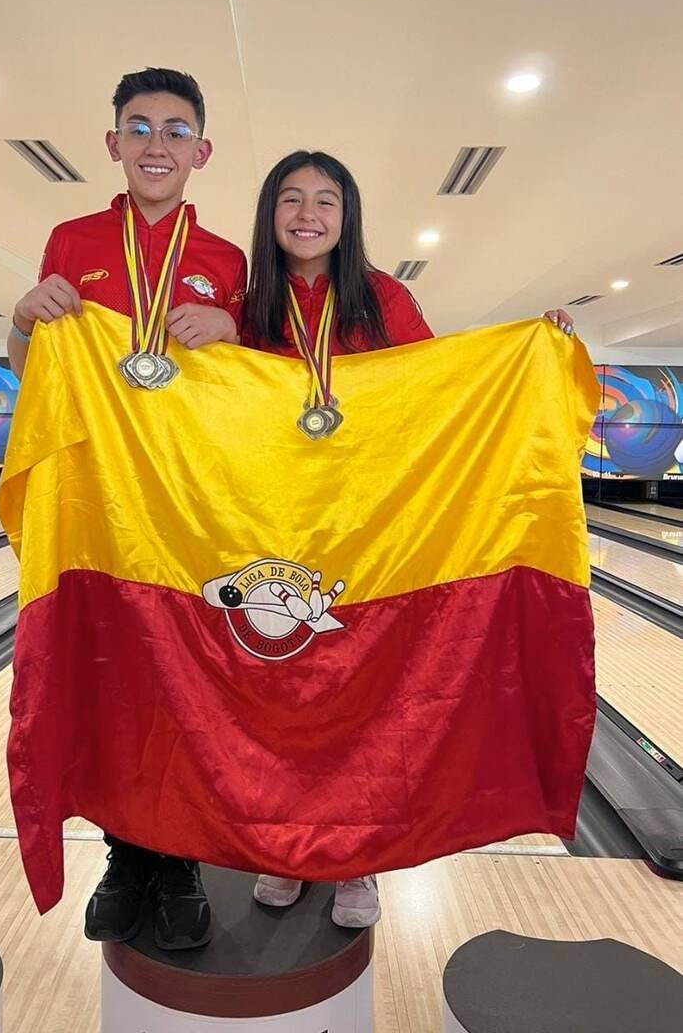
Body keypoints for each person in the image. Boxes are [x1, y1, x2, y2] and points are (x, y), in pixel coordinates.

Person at [242, 149, 574, 928]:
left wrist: (528, 349)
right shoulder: (248, 301)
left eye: (326, 200)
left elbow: (437, 382)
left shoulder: (382, 296)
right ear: (270, 213)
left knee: (360, 695)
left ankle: (358, 862)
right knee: (279, 696)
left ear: (348, 216)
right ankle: (281, 847)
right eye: (291, 199)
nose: (307, 214)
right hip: (271, 528)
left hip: (372, 531)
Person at [7, 68, 247, 950]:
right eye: (139, 128)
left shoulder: (225, 259)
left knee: (182, 679)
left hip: (188, 508)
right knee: (107, 679)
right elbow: (38, 365)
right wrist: (26, 319)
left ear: (201, 150)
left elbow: (250, 392)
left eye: (176, 130)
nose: (157, 144)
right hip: (95, 507)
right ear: (112, 143)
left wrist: (231, 334)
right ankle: (126, 855)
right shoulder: (71, 237)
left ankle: (176, 857)